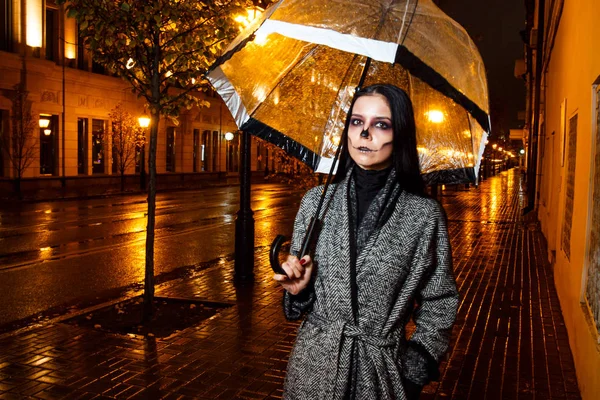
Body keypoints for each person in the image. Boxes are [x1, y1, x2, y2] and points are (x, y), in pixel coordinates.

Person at [273, 83, 459, 400]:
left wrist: (413, 370)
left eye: (380, 124)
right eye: (356, 122)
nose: (364, 134)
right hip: (312, 370)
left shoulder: (423, 215)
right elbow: (299, 302)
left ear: (399, 133)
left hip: (381, 377)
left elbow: (440, 302)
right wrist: (299, 291)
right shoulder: (316, 202)